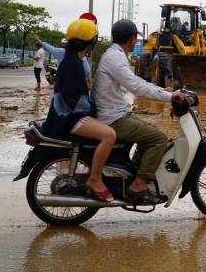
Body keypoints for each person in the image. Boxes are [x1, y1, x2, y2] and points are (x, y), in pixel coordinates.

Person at [92, 19, 186, 205]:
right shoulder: (116, 58)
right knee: (158, 139)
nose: (136, 42)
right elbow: (136, 86)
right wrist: (170, 96)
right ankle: (139, 184)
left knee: (148, 132)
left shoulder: (115, 55)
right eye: (136, 39)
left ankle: (133, 173)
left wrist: (163, 91)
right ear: (132, 39)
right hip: (113, 118)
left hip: (116, 112)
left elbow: (136, 82)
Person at [41, 19, 116, 202]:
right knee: (109, 136)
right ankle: (95, 179)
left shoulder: (70, 59)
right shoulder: (75, 64)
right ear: (91, 43)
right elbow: (73, 100)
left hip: (62, 116)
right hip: (68, 119)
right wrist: (92, 110)